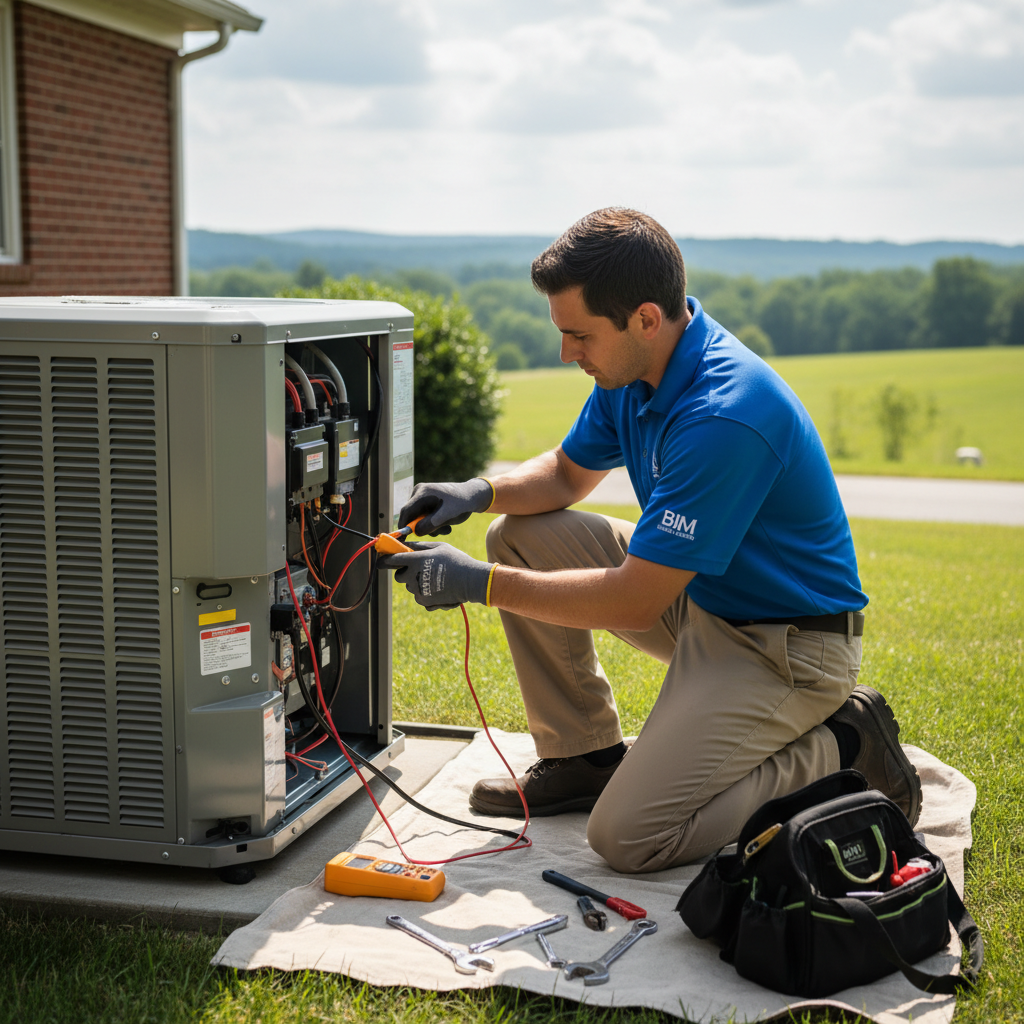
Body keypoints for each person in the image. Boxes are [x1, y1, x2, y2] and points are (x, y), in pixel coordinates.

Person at [384, 208, 921, 873]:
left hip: (787, 647)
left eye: (579, 336)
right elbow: (564, 473)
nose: (566, 353)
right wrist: (478, 492)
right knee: (517, 535)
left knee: (628, 839)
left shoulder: (727, 413)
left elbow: (634, 600)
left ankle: (844, 744)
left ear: (643, 318)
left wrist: (479, 585)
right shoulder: (634, 371)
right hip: (705, 599)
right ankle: (583, 756)